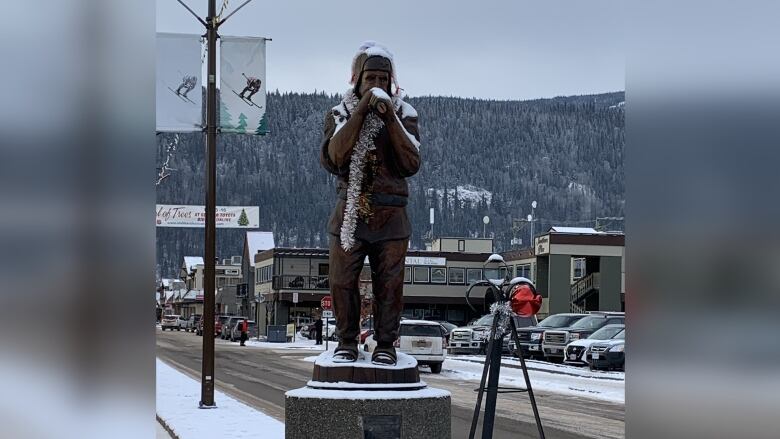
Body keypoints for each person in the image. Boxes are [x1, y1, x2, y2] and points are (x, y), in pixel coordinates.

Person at [320, 41, 421, 365]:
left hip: (391, 216)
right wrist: (362, 111)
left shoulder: (405, 114)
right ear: (358, 80)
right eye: (371, 79)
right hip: (350, 212)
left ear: (392, 82)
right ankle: (346, 341)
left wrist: (389, 117)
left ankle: (386, 344)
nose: (377, 86)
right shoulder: (339, 114)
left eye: (383, 79)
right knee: (341, 280)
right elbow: (335, 157)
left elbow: (411, 162)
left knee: (389, 285)